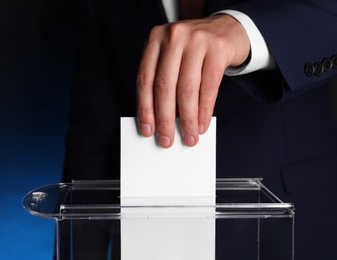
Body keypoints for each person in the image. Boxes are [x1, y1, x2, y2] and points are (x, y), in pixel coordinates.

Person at [63, 0, 337, 259]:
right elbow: (94, 129)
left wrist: (245, 29)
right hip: (150, 234)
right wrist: (83, 250)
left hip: (292, 221)